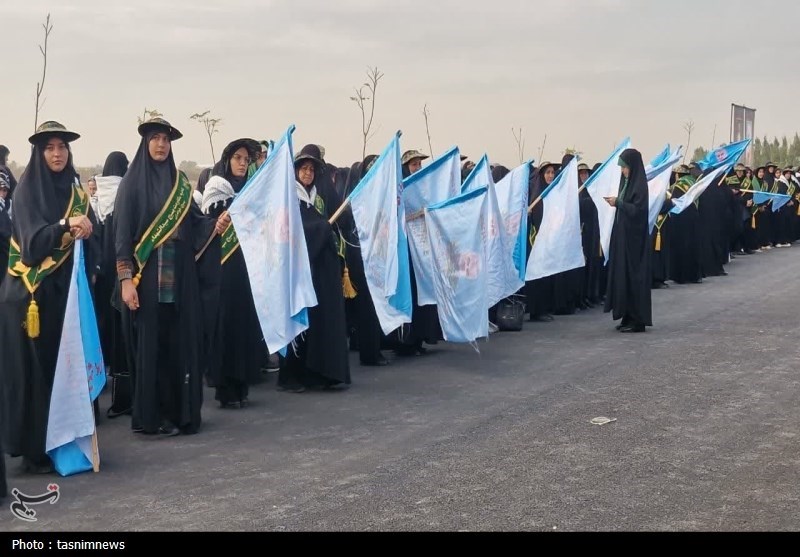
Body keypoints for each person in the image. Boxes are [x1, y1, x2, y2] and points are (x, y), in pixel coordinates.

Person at [114, 117, 224, 436]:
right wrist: (125, 281)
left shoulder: (179, 184)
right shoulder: (131, 184)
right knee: (152, 348)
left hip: (180, 279)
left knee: (178, 346)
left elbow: (194, 221)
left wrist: (214, 225)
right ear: (145, 143)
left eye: (166, 139)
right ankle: (152, 416)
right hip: (146, 281)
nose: (161, 144)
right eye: (156, 138)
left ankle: (180, 411)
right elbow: (122, 238)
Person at [0, 121, 94, 473]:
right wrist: (65, 226)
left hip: (62, 297)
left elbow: (88, 232)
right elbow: (31, 249)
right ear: (39, 154)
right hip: (28, 299)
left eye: (62, 147)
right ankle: (34, 449)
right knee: (35, 375)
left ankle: (62, 440)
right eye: (50, 148)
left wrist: (86, 227)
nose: (57, 153)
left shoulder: (76, 191)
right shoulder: (25, 192)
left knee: (60, 370)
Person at [276, 144, 350, 392]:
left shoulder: (316, 199)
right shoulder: (290, 198)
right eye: (303, 169)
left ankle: (318, 372)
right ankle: (291, 376)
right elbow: (293, 232)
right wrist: (321, 229)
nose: (307, 173)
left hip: (319, 271)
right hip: (297, 272)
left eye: (311, 169)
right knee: (298, 320)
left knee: (319, 321)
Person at [201, 138, 263, 408]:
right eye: (237, 158)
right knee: (225, 324)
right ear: (227, 160)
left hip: (245, 268)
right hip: (223, 268)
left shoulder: (249, 190)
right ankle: (225, 387)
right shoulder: (216, 187)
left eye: (246, 160)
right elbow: (205, 225)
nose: (242, 163)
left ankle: (242, 384)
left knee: (243, 323)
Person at [603, 148, 651, 333]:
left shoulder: (639, 186)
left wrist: (619, 203)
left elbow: (638, 211)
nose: (623, 171)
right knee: (623, 277)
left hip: (634, 243)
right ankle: (626, 316)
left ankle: (637, 320)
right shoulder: (625, 185)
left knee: (634, 278)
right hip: (623, 239)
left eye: (625, 167)